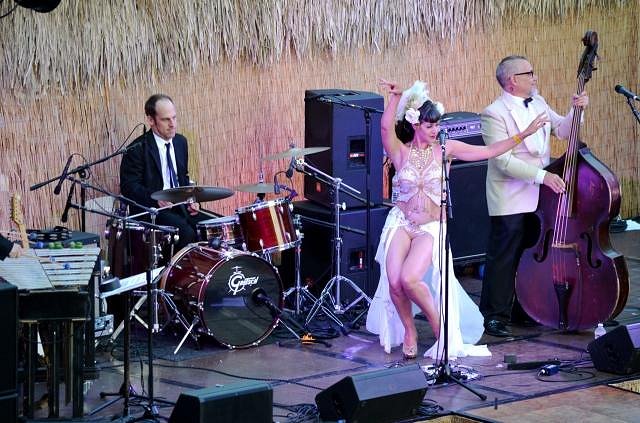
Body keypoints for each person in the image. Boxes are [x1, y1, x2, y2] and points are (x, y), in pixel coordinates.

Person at [366, 79, 547, 359]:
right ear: (416, 125)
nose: (435, 130)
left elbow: (487, 152)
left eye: (437, 125)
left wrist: (522, 135)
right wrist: (395, 98)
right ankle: (410, 331)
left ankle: (442, 331)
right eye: (430, 126)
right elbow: (385, 128)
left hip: (430, 226)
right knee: (394, 282)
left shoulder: (445, 150)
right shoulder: (401, 152)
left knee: (409, 278)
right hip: (401, 222)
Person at [479, 55, 589, 337]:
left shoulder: (538, 102)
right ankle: (494, 315)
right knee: (505, 256)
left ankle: (525, 308)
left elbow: (562, 130)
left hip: (540, 193)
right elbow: (502, 161)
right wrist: (543, 176)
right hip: (510, 194)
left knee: (531, 254)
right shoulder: (494, 113)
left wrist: (576, 111)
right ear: (512, 80)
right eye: (529, 73)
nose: (535, 77)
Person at [120, 94, 207, 252]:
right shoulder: (137, 149)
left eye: (174, 118)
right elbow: (129, 187)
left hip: (180, 206)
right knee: (185, 233)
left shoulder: (180, 142)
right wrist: (155, 198)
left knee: (212, 227)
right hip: (153, 211)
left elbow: (183, 177)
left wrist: (191, 199)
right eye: (166, 119)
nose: (172, 124)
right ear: (151, 120)